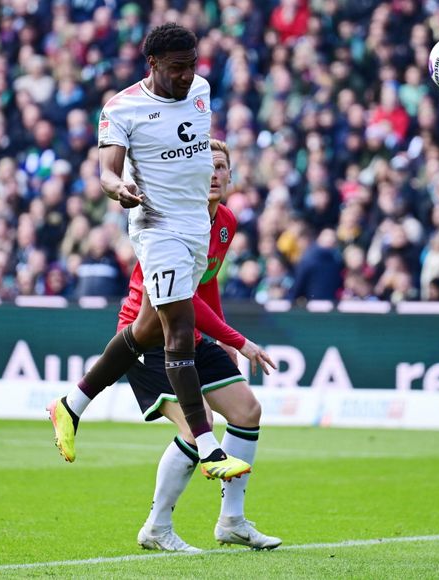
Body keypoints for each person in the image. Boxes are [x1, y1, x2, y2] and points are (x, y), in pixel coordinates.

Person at [48, 23, 248, 481]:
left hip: (197, 227)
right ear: (152, 64)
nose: (186, 76)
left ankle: (71, 404)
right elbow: (106, 172)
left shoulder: (201, 89)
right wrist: (120, 189)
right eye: (176, 68)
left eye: (191, 65)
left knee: (146, 331)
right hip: (157, 229)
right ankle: (209, 448)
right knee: (178, 329)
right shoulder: (122, 108)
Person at [124, 140, 280, 552]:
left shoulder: (225, 221)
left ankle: (232, 521)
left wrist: (221, 336)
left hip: (189, 335)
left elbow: (206, 282)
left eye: (221, 168)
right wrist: (238, 341)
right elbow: (182, 297)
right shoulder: (177, 222)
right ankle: (156, 528)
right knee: (199, 427)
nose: (213, 174)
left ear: (231, 177)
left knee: (247, 410)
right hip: (149, 337)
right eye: (205, 166)